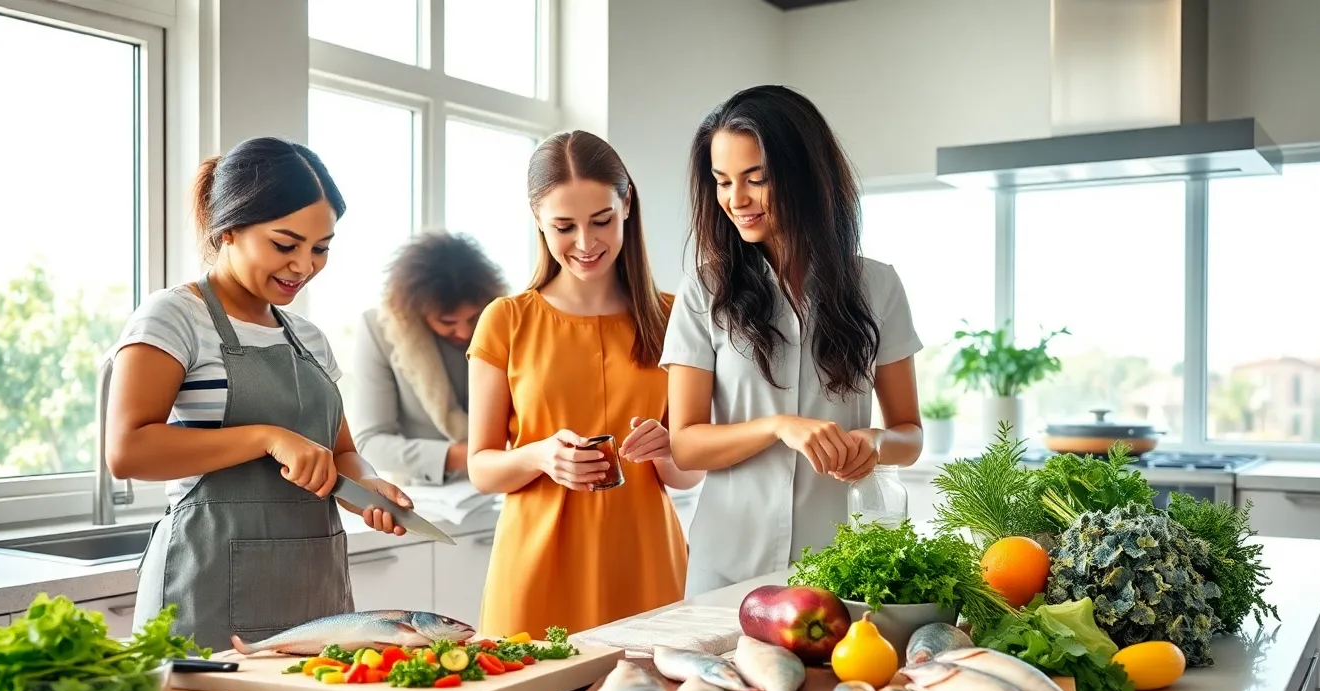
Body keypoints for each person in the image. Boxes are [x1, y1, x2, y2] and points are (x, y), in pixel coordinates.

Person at [109, 137, 413, 651]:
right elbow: (128, 450)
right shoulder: (174, 317)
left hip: (315, 596)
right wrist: (267, 437)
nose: (304, 266)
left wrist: (369, 488)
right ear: (228, 229)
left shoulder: (308, 337)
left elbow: (340, 452)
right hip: (204, 597)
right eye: (284, 244)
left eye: (321, 249)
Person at [662, 85, 925, 596]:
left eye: (756, 179)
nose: (736, 200)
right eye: (722, 182)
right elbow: (686, 443)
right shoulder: (705, 289)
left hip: (839, 569)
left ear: (806, 177)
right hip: (726, 569)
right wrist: (778, 426)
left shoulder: (879, 286)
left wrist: (874, 442)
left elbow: (910, 436)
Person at [465, 130, 704, 639]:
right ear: (537, 220)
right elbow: (482, 468)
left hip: (644, 560)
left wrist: (666, 449)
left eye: (601, 221)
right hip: (535, 565)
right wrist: (539, 456)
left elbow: (687, 476)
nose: (586, 243)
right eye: (563, 226)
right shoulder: (506, 320)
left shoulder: (673, 316)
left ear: (627, 205)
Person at [351, 231, 509, 486]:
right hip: (426, 497)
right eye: (447, 322)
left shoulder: (503, 323)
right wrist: (465, 456)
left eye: (472, 318)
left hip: (504, 489)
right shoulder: (378, 330)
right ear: (416, 311)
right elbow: (370, 442)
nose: (464, 332)